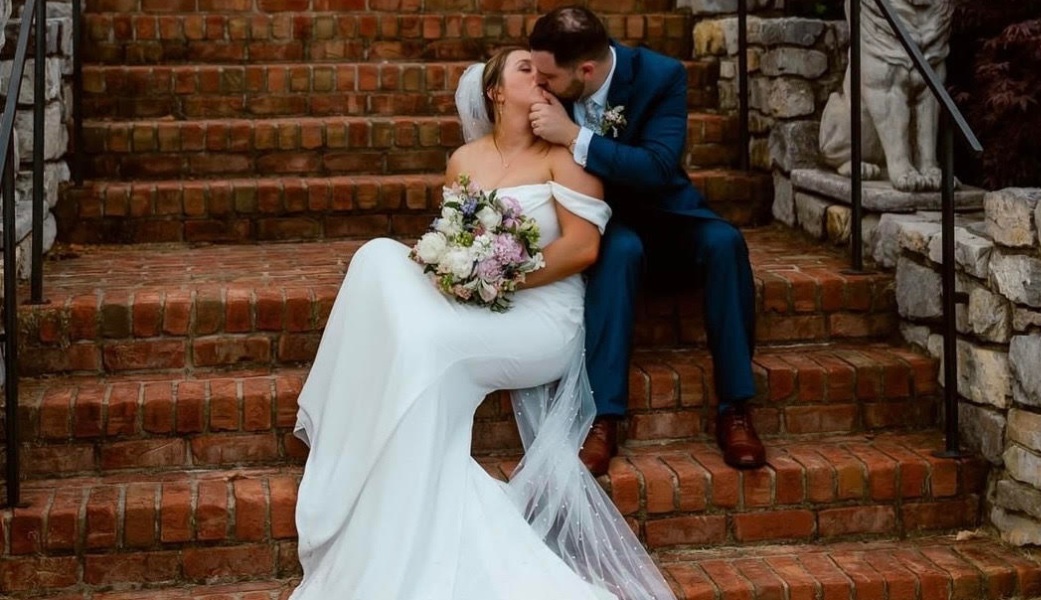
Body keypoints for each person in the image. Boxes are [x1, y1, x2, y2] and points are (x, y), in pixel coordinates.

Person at [290, 46, 675, 600]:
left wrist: (504, 279)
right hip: (480, 299)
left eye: (544, 73)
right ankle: (358, 441)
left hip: (543, 316)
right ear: (495, 92)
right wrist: (461, 271)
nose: (540, 77)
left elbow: (583, 250)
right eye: (524, 69)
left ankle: (380, 451)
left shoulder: (562, 157)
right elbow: (456, 240)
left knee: (425, 345)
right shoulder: (464, 161)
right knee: (376, 256)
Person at [527, 6, 766, 477]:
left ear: (587, 71)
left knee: (725, 242)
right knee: (621, 250)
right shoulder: (550, 84)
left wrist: (575, 136)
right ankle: (605, 418)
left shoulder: (661, 76)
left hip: (667, 214)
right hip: (604, 225)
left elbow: (657, 168)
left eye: (549, 75)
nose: (539, 82)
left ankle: (736, 408)